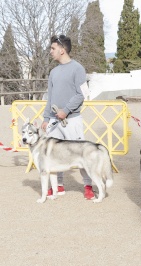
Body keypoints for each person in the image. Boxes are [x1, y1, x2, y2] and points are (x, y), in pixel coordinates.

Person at [41, 34, 95, 200]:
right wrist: (46, 118)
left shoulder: (78, 68)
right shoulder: (53, 72)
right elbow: (50, 97)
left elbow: (81, 94)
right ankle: (58, 186)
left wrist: (66, 110)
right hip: (54, 122)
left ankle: (88, 186)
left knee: (80, 152)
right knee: (54, 154)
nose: (50, 51)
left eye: (53, 48)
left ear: (62, 50)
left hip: (72, 120)